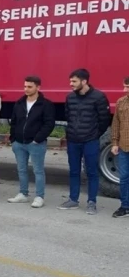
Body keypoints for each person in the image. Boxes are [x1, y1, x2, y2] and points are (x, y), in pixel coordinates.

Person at [59, 68, 110, 214]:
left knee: (91, 172)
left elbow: (104, 120)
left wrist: (94, 135)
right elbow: (68, 116)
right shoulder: (70, 98)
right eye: (70, 81)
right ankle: (73, 200)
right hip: (73, 141)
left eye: (74, 81)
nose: (71, 84)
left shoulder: (99, 97)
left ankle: (91, 202)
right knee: (74, 171)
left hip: (90, 141)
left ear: (84, 81)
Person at [7, 76, 56, 208]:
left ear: (38, 87)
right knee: (21, 169)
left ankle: (39, 197)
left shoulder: (46, 104)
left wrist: (38, 139)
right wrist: (13, 139)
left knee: (38, 171)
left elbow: (49, 124)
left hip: (36, 144)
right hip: (19, 143)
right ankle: (23, 194)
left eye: (30, 87)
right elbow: (14, 122)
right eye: (25, 86)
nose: (26, 89)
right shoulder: (19, 103)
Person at [110, 77, 129, 218]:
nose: (124, 90)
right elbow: (116, 124)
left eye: (127, 87)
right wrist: (115, 143)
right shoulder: (121, 102)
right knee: (124, 178)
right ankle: (125, 206)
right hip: (124, 146)